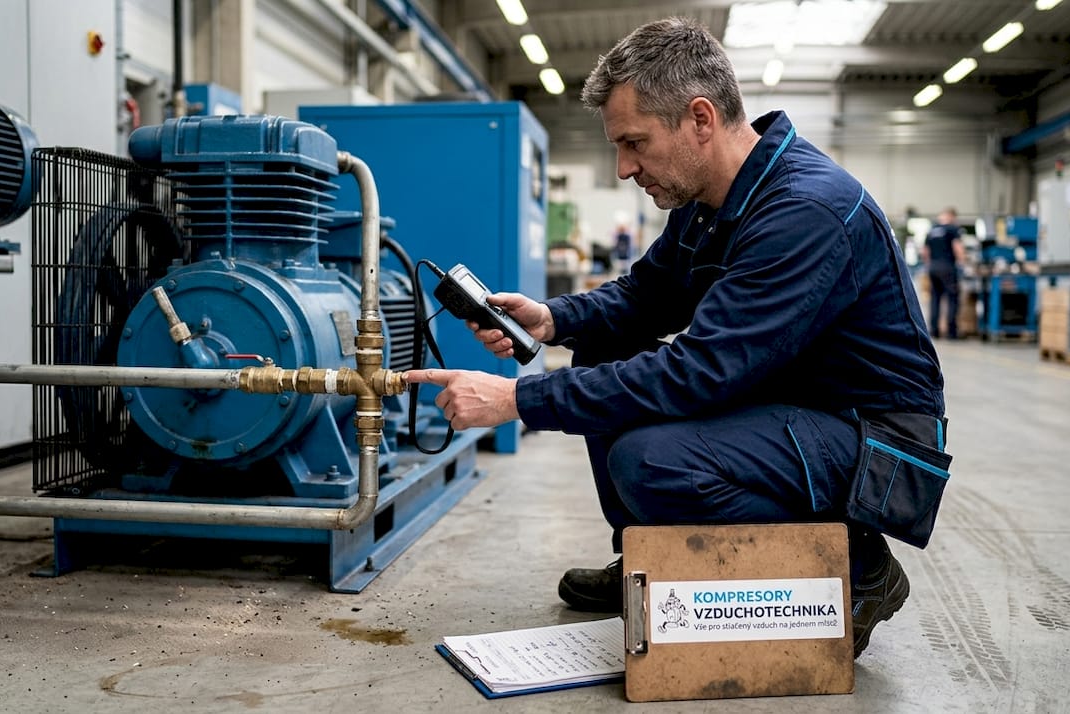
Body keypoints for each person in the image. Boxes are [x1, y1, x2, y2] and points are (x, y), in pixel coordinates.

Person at [405, 17, 948, 659]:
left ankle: (861, 567)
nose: (624, 167)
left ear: (699, 119)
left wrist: (516, 401)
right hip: (789, 400)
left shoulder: (806, 211)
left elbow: (699, 373)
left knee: (653, 462)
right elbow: (644, 297)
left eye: (634, 143)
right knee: (603, 346)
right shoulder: (707, 200)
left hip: (869, 435)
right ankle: (649, 556)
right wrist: (552, 319)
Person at [921, 208, 965, 339]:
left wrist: (930, 265)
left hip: (933, 267)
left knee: (935, 298)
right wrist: (962, 263)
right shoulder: (952, 229)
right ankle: (952, 332)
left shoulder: (931, 230)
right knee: (952, 298)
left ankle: (934, 331)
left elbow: (925, 252)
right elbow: (957, 247)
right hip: (947, 267)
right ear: (952, 217)